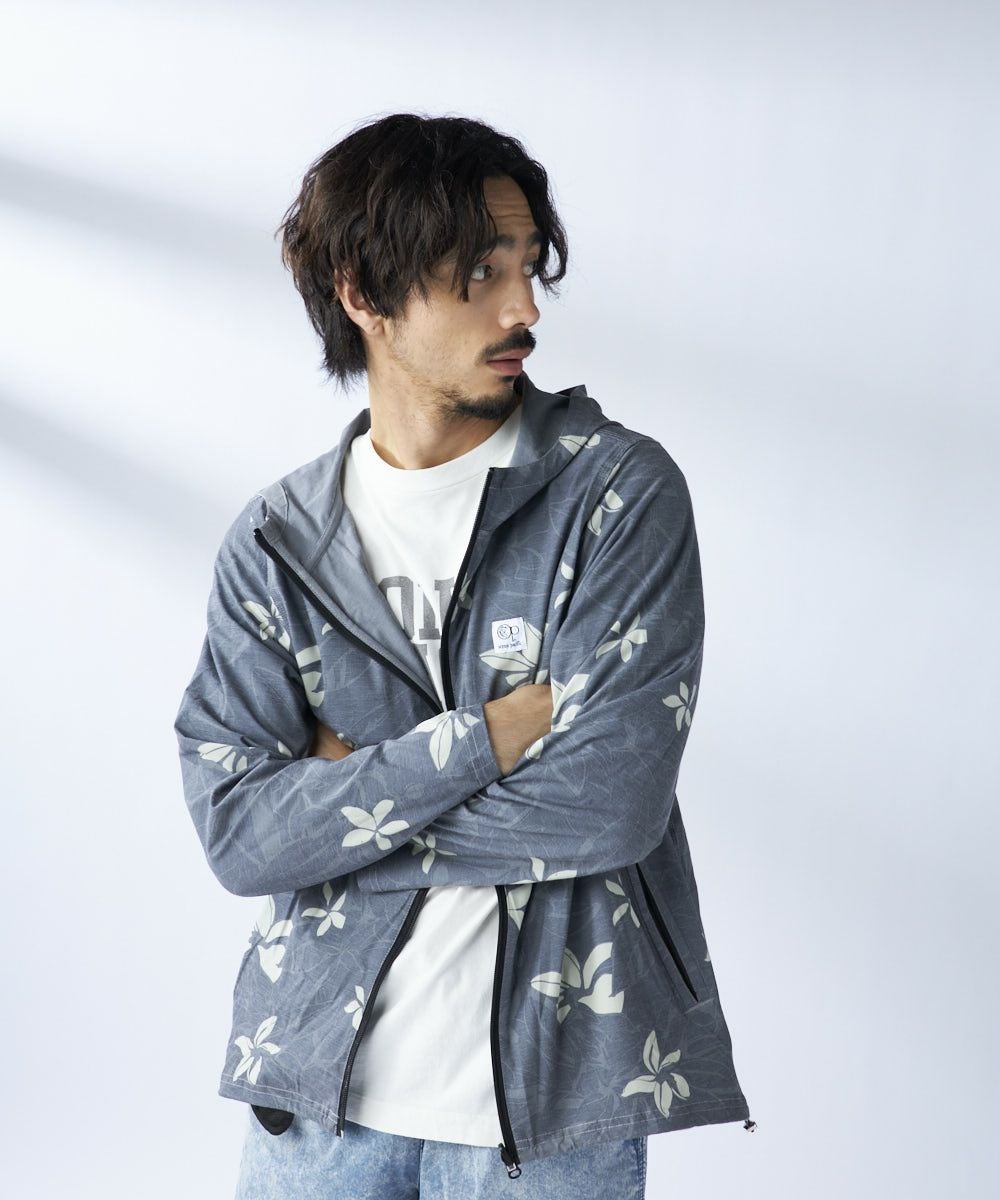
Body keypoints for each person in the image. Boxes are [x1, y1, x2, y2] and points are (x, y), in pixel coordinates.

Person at [173, 112, 755, 1200]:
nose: (523, 308)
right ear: (362, 292)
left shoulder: (614, 497)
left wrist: (342, 810)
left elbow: (608, 806)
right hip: (312, 1107)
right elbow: (241, 838)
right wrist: (483, 739)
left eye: (528, 267)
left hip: (550, 1115)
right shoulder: (279, 543)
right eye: (481, 273)